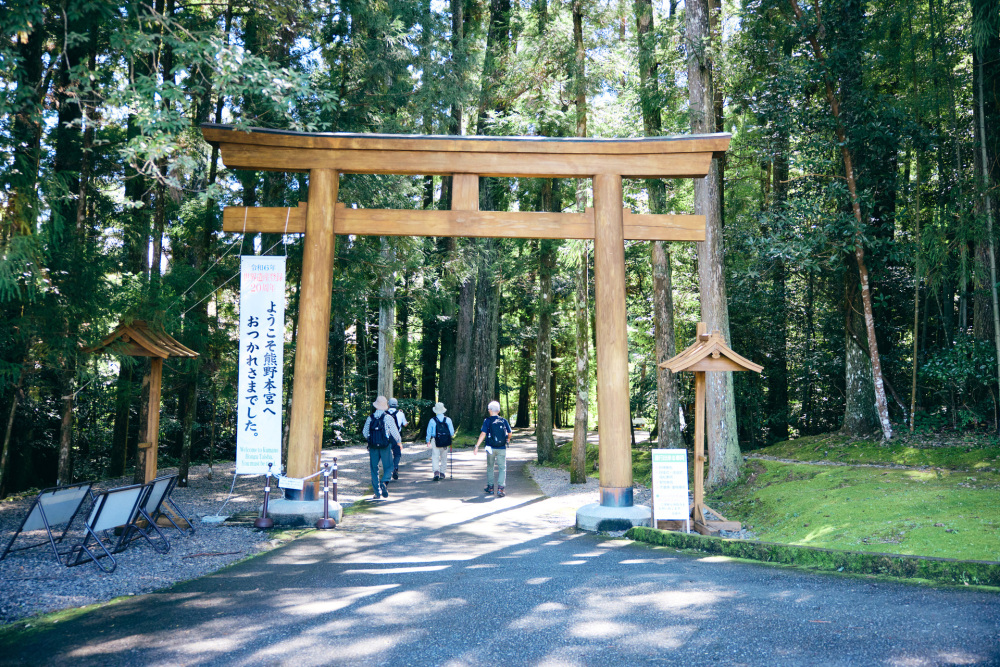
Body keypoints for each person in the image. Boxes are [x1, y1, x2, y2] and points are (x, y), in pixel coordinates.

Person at [363, 395, 401, 500]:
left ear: (376, 406)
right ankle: (384, 482)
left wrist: (372, 439)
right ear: (386, 406)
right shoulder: (388, 417)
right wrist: (399, 442)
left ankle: (377, 493)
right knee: (389, 466)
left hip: (373, 447)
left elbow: (365, 433)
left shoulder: (370, 418)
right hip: (385, 446)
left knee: (374, 469)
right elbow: (395, 432)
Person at [473, 400, 512, 497]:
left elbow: (483, 433)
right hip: (502, 448)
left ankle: (490, 487)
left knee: (490, 467)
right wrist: (508, 440)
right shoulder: (503, 420)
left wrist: (477, 446)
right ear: (498, 411)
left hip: (490, 448)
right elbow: (510, 432)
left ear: (490, 410)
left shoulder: (487, 421)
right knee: (502, 468)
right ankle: (500, 489)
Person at [424, 401, 455, 481]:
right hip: (445, 441)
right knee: (444, 457)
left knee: (435, 456)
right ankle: (442, 473)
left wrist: (428, 440)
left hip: (435, 440)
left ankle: (436, 472)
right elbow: (451, 432)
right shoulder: (448, 420)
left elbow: (429, 432)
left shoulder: (432, 420)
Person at [386, 398, 408, 480]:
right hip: (396, 436)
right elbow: (405, 424)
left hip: (386, 436)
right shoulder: (400, 414)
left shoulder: (384, 414)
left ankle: (388, 471)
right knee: (397, 454)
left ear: (388, 405)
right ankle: (395, 467)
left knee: (387, 453)